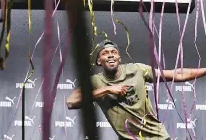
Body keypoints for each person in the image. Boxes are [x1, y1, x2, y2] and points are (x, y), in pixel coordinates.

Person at [66, 40, 206, 140]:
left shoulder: (137, 69)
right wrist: (107, 89)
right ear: (98, 61)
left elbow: (177, 74)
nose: (110, 55)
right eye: (105, 53)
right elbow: (71, 102)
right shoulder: (95, 81)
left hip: (157, 137)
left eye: (114, 52)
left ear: (119, 58)